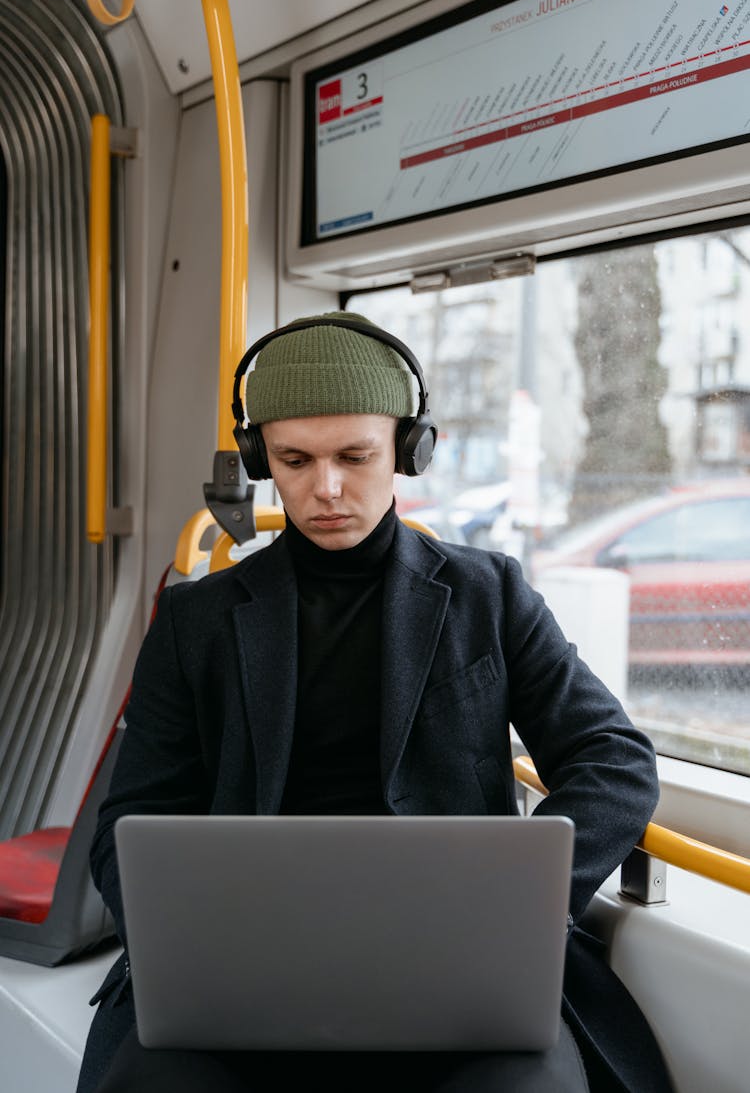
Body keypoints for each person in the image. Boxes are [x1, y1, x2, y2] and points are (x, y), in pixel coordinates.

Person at [76, 311, 674, 1093]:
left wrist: (520, 906)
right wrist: (184, 942)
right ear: (258, 457)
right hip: (245, 963)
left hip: (461, 959)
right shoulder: (198, 623)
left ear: (408, 450)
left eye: (354, 456)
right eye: (293, 459)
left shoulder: (488, 594)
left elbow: (614, 759)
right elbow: (125, 823)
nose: (324, 487)